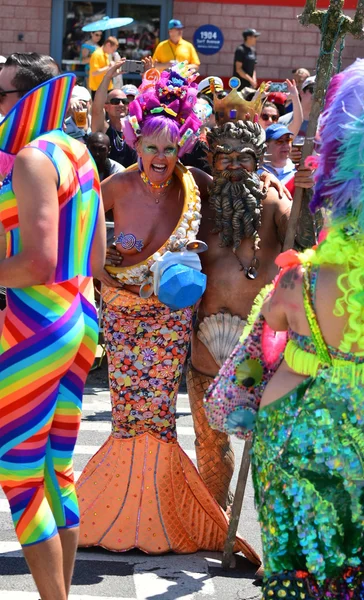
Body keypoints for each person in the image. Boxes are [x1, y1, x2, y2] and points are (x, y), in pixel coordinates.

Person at [75, 63, 260, 565]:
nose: (160, 157)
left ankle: (158, 512)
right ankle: (109, 509)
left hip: (169, 318)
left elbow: (245, 197)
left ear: (181, 148)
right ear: (135, 144)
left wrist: (294, 190)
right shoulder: (113, 188)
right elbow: (82, 232)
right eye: (152, 147)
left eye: (170, 148)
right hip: (121, 315)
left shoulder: (195, 183)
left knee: (156, 414)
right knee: (124, 412)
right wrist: (103, 274)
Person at [251, 56, 364, 598]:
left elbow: (268, 324)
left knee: (293, 557)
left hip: (293, 430)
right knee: (351, 554)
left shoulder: (302, 280)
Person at [0, 52, 106, 600]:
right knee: (54, 472)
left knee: (20, 478)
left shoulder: (32, 159)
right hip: (79, 314)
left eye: (1, 94)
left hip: (33, 324)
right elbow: (99, 252)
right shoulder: (77, 150)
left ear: (28, 98)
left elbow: (37, 262)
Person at [186, 85, 295, 509]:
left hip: (262, 347)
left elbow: (303, 241)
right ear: (211, 160)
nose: (234, 166)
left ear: (259, 160)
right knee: (209, 444)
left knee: (270, 446)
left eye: (243, 157)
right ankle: (215, 518)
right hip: (204, 348)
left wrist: (301, 189)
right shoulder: (197, 201)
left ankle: (277, 540)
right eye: (223, 157)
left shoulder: (274, 201)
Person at [91, 62, 137, 168]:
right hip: (108, 182)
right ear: (106, 107)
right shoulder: (103, 129)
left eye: (124, 101)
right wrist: (108, 76)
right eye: (115, 101)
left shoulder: (136, 128)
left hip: (132, 182)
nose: (121, 104)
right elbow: (97, 109)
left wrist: (148, 75)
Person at [259, 124, 296, 194]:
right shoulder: (258, 172)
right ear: (266, 146)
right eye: (280, 141)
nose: (285, 145)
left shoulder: (298, 172)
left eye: (288, 140)